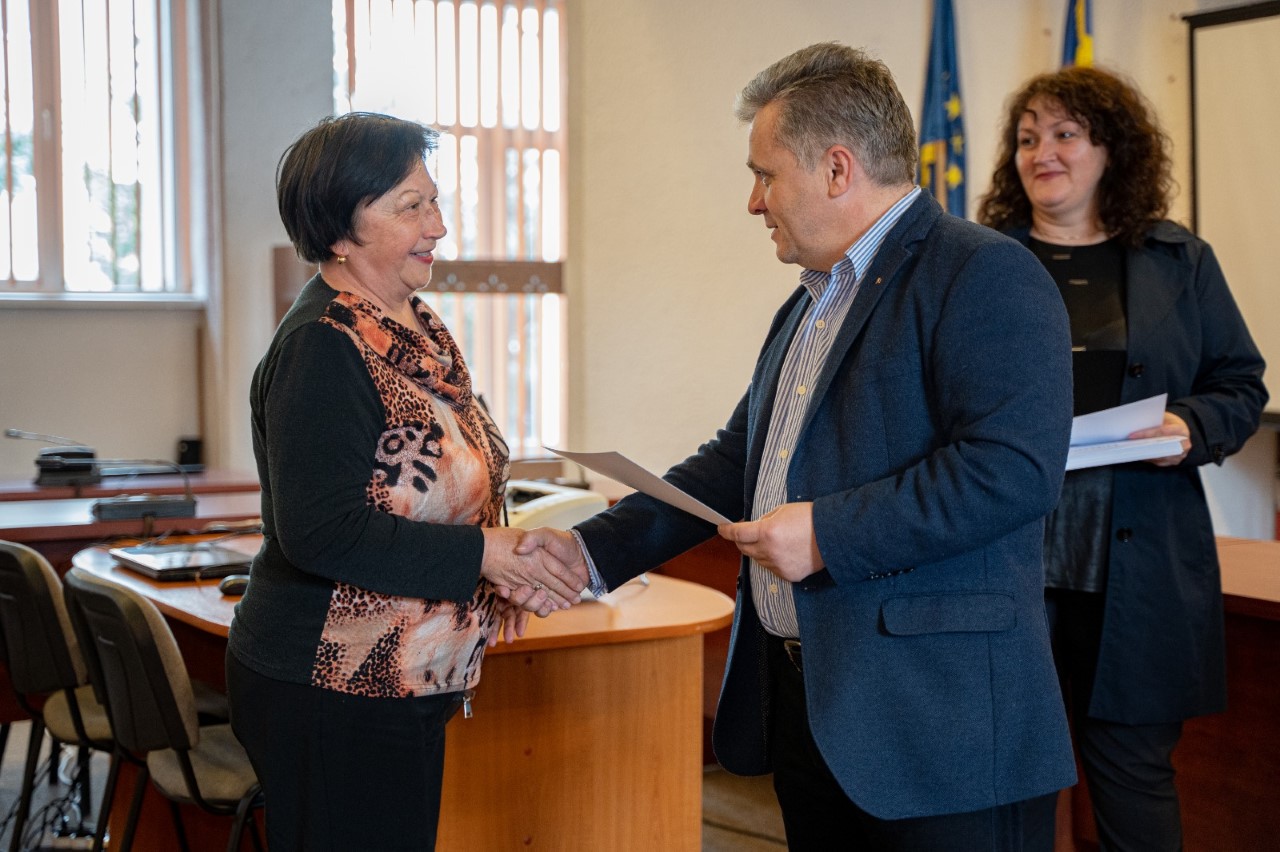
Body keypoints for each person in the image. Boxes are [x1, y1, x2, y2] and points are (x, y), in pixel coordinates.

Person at [517, 43, 1077, 850]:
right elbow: (735, 464)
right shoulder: (810, 302)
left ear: (837, 169)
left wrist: (826, 533)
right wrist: (588, 553)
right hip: (815, 717)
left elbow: (1011, 472)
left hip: (938, 732)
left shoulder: (984, 273)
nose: (754, 202)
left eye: (765, 175)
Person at [225, 112, 586, 851]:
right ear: (339, 232)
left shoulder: (412, 330)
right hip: (333, 683)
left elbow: (445, 487)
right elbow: (321, 533)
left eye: (435, 201)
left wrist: (497, 572)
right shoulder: (324, 347)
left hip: (406, 674)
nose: (438, 226)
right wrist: (485, 556)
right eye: (410, 207)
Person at [977, 66, 1267, 851]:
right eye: (1028, 137)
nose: (1042, 151)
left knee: (1134, 779)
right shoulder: (982, 262)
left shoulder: (1179, 260)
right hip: (1008, 556)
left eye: (1065, 133)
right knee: (1005, 777)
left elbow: (1240, 385)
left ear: (1111, 149)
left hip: (1140, 566)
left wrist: (1190, 425)